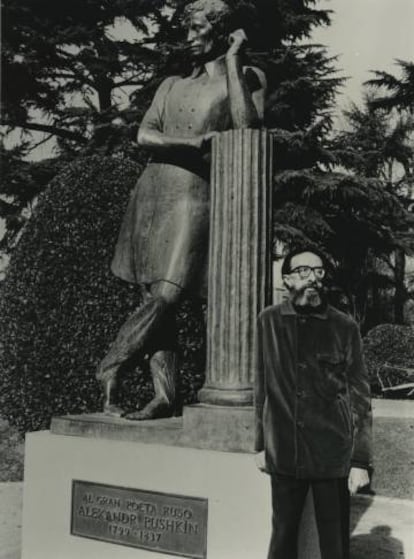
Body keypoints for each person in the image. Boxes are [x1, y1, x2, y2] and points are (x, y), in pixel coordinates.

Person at [96, 0, 266, 419]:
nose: (189, 38)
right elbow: (144, 135)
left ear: (220, 31)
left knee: (168, 294)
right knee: (154, 295)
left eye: (196, 29)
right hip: (152, 192)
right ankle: (164, 396)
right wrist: (192, 143)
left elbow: (247, 127)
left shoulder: (247, 76)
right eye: (187, 30)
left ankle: (112, 362)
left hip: (197, 194)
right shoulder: (171, 85)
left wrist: (232, 60)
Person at [254, 248, 372, 559]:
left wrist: (359, 461)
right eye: (304, 271)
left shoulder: (344, 326)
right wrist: (259, 445)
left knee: (333, 543)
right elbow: (261, 388)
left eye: (319, 272)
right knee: (283, 536)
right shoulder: (268, 322)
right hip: (284, 451)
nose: (313, 279)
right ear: (288, 279)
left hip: (331, 454)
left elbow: (360, 396)